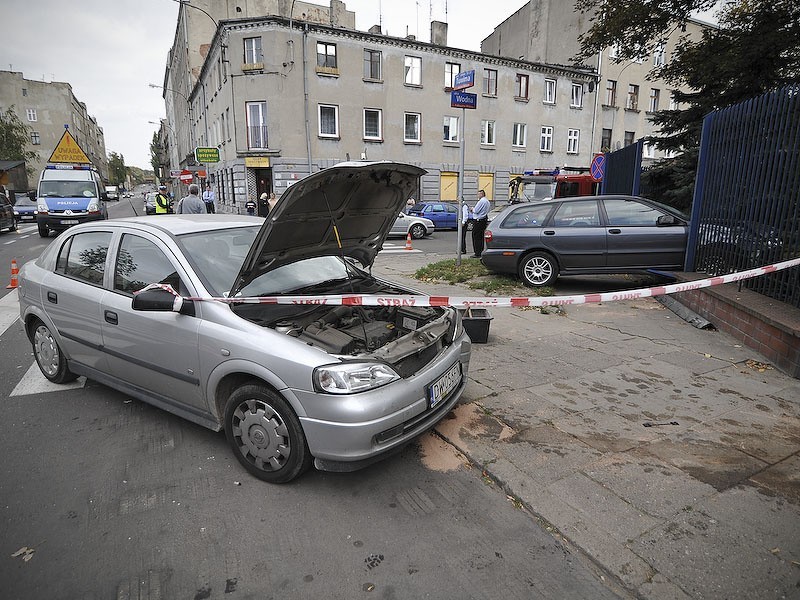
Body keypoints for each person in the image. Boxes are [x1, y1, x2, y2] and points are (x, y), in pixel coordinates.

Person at [471, 190, 491, 257]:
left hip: (478, 220)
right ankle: (481, 251)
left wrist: (472, 209)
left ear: (482, 194)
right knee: (481, 237)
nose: (478, 196)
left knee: (476, 237)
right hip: (483, 219)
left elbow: (476, 210)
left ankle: (477, 252)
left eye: (478, 194)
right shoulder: (487, 201)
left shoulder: (481, 201)